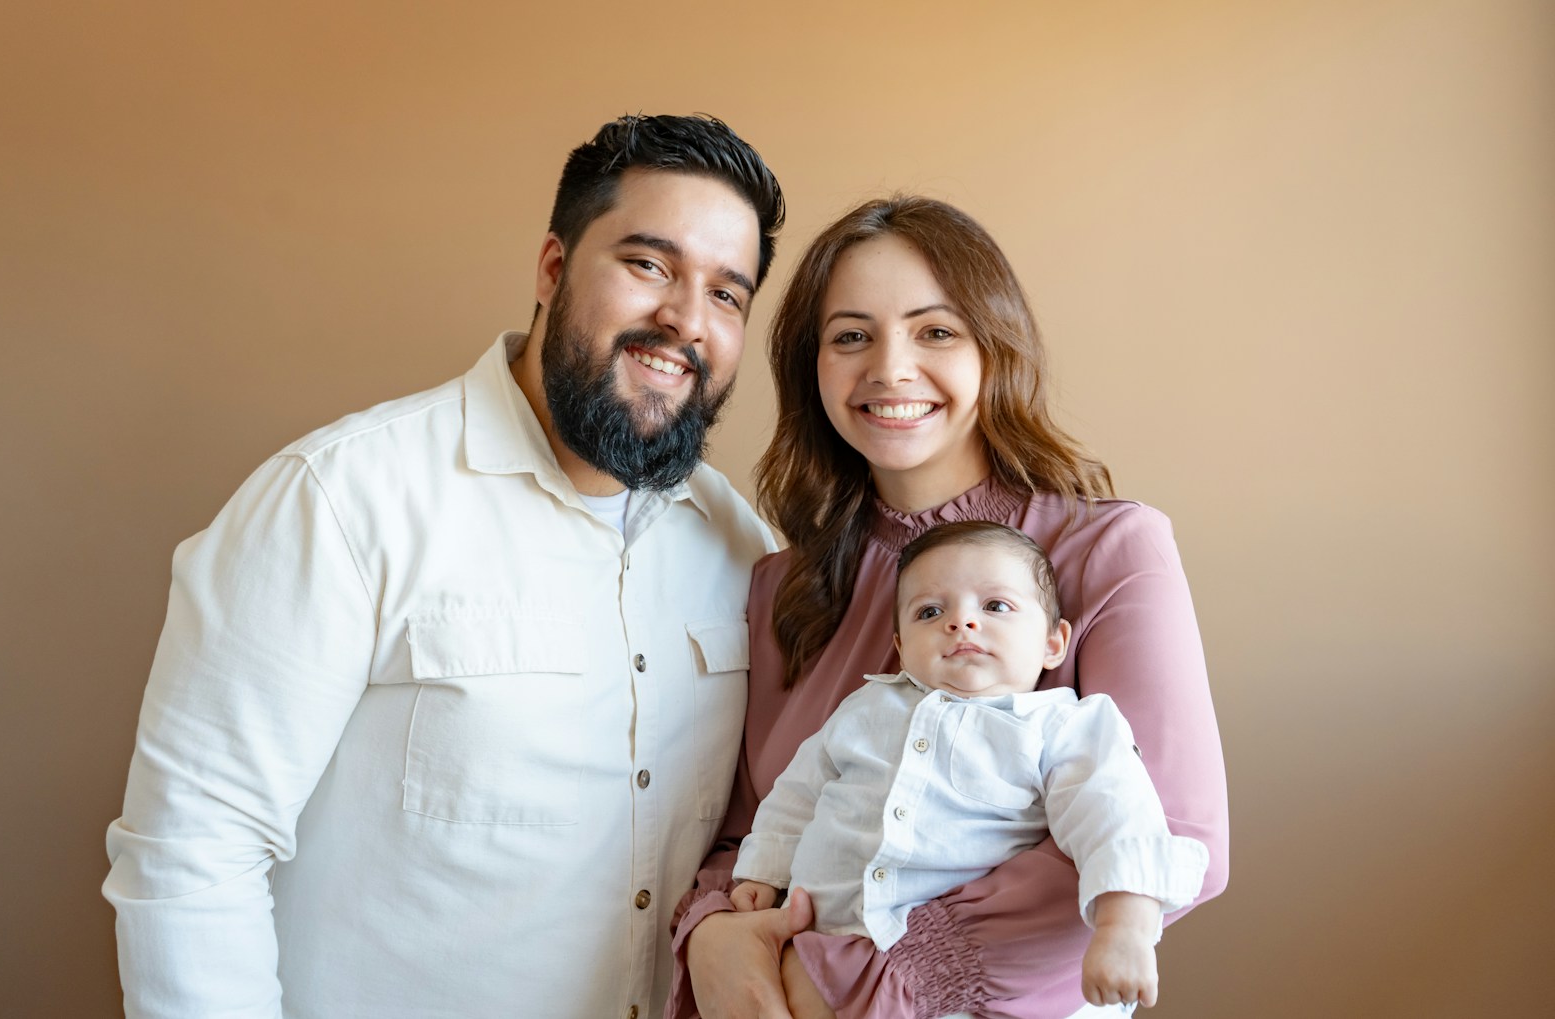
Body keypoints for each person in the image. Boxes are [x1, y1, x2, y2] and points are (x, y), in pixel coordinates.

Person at [104, 114, 784, 1019]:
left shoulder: (739, 542)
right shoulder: (341, 499)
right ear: (552, 268)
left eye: (727, 295)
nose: (685, 320)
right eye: (649, 265)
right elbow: (190, 851)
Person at [671, 196, 1228, 1019]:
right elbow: (750, 826)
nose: (890, 369)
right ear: (811, 367)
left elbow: (1182, 837)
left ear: (993, 349)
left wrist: (878, 984)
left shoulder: (1107, 549)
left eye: (935, 331)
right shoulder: (782, 584)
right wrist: (715, 935)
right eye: (851, 335)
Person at [726, 521, 1209, 1012]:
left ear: (1053, 643)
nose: (960, 622)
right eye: (930, 612)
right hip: (821, 945)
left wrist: (1124, 928)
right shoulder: (864, 709)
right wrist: (760, 875)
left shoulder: (1061, 727)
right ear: (900, 648)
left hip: (961, 991)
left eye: (995, 606)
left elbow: (1116, 815)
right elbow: (799, 794)